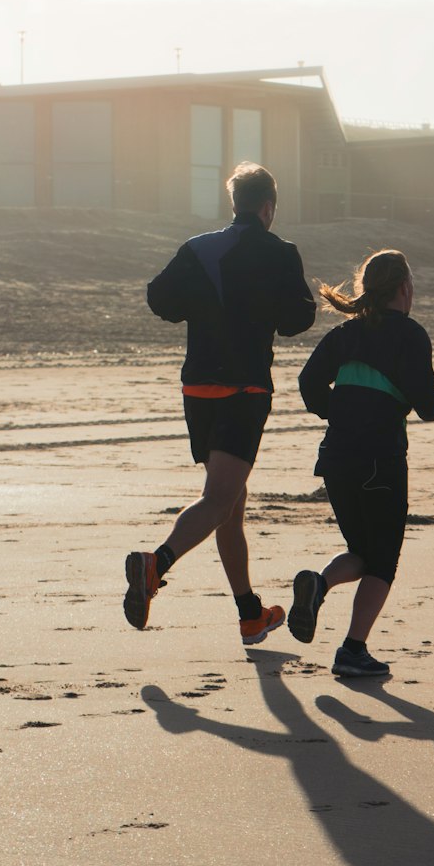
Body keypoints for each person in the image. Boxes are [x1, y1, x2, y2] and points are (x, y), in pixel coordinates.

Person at [123, 161, 316, 643]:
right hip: (244, 388)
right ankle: (155, 564)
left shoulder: (199, 248)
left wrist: (206, 308)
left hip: (197, 387)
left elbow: (159, 300)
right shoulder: (280, 252)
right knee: (219, 499)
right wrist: (259, 312)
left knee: (232, 501)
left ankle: (250, 612)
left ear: (235, 203)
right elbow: (299, 318)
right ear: (269, 207)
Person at [289, 249, 434, 679]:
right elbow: (426, 405)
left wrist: (337, 411)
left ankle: (317, 585)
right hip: (381, 460)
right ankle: (353, 650)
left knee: (363, 551)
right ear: (404, 288)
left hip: (337, 458)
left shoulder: (345, 334)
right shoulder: (410, 335)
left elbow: (307, 383)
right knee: (383, 562)